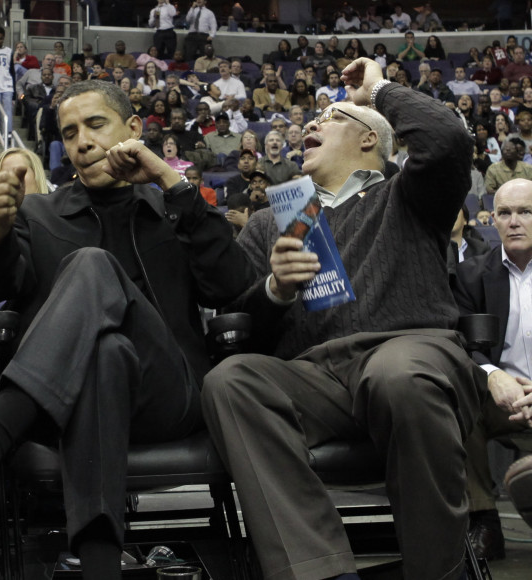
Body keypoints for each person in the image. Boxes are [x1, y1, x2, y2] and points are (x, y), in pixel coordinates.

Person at [0, 80, 255, 580]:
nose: (82, 142)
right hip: (63, 400)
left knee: (91, 265)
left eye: (95, 125)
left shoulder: (172, 209)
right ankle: (100, 567)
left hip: (167, 395)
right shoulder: (39, 212)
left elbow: (232, 286)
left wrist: (172, 184)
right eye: (69, 133)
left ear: (133, 129)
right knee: (105, 352)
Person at [201, 58, 482, 580]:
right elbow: (234, 324)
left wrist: (376, 91)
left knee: (398, 377)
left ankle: (439, 572)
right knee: (230, 380)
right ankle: (320, 571)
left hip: (407, 349)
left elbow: (445, 139)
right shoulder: (271, 221)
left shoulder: (410, 194)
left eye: (329, 117)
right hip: (314, 376)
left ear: (370, 140)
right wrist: (275, 290)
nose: (308, 123)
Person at [453, 178, 532, 560]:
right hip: (500, 401)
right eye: (505, 213)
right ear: (492, 220)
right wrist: (493, 376)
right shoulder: (471, 275)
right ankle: (484, 519)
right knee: (457, 399)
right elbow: (463, 346)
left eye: (525, 212)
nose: (514, 221)